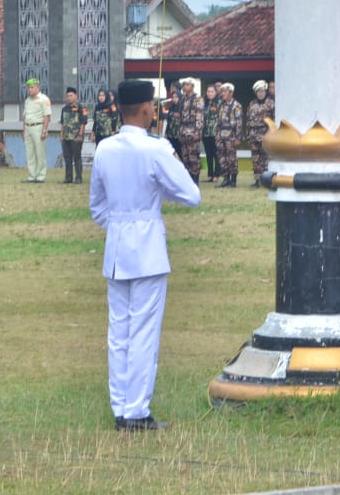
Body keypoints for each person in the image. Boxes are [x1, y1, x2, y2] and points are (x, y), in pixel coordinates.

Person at [89, 79, 201, 432]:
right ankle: (136, 410)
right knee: (143, 333)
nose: (155, 110)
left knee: (118, 331)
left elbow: (98, 208)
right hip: (148, 248)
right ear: (145, 109)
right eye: (153, 106)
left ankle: (121, 406)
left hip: (117, 248)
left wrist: (122, 226)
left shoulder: (105, 148)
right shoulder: (156, 148)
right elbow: (191, 194)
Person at [175, 77, 204, 183]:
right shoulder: (183, 99)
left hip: (193, 130)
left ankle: (195, 179)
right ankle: (188, 179)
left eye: (187, 85)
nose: (185, 87)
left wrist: (198, 131)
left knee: (193, 156)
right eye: (184, 85)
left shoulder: (198, 99)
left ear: (192, 86)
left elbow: (200, 116)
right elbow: (181, 116)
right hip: (183, 130)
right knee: (185, 156)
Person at [21, 77, 50, 183]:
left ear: (37, 87)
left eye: (32, 87)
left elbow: (47, 116)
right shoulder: (27, 100)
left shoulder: (44, 99)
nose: (30, 90)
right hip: (28, 128)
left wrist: (44, 131)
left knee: (40, 153)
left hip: (38, 127)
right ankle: (31, 176)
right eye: (28, 88)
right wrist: (23, 130)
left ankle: (41, 176)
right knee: (30, 153)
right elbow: (24, 116)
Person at [246, 79, 273, 187]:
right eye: (258, 91)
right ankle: (257, 180)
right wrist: (248, 134)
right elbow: (248, 120)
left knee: (267, 158)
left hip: (266, 134)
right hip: (254, 135)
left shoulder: (271, 103)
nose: (260, 93)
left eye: (262, 91)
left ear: (265, 91)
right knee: (256, 159)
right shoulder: (252, 103)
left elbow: (274, 119)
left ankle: (268, 180)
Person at [215, 83, 242, 187]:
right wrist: (217, 135)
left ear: (231, 92)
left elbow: (239, 123)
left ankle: (233, 180)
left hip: (231, 136)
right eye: (222, 91)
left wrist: (238, 138)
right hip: (220, 135)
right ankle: (225, 179)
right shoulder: (220, 105)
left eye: (225, 91)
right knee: (222, 158)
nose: (223, 93)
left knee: (232, 158)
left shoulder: (236, 105)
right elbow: (218, 121)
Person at [60, 86, 88, 184]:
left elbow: (83, 122)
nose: (69, 98)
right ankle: (68, 177)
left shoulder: (81, 108)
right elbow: (63, 123)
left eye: (71, 96)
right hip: (66, 137)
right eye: (67, 96)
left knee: (77, 157)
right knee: (67, 158)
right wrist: (61, 135)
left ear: (76, 96)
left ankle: (78, 177)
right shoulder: (64, 109)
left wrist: (80, 135)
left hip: (76, 137)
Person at [202, 84, 221, 182]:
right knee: (208, 154)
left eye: (212, 91)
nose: (210, 93)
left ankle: (217, 174)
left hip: (215, 133)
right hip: (205, 133)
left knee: (216, 154)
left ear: (216, 92)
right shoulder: (204, 104)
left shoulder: (219, 103)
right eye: (208, 91)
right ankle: (210, 174)